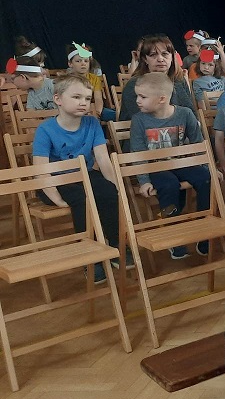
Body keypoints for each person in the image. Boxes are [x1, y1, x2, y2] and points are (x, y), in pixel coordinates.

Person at [32, 74, 122, 284]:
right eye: (76, 97)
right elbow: (41, 170)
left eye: (87, 98)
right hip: (55, 181)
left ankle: (116, 242)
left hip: (84, 176)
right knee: (82, 199)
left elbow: (103, 159)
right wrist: (57, 199)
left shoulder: (92, 123)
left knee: (108, 192)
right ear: (58, 99)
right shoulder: (45, 129)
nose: (83, 102)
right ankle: (89, 256)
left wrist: (116, 186)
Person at [130, 72, 211, 258]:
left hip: (180, 163)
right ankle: (173, 236)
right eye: (137, 96)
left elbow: (198, 144)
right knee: (169, 185)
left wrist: (208, 169)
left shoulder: (185, 113)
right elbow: (138, 153)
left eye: (142, 97)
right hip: (155, 167)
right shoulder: (139, 120)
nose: (137, 101)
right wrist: (144, 180)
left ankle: (204, 230)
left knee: (205, 178)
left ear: (162, 99)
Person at [119, 34, 196, 121]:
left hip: (178, 127)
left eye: (165, 54)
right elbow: (139, 118)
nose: (160, 59)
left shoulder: (179, 80)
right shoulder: (134, 84)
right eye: (153, 55)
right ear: (145, 59)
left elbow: (191, 112)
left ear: (172, 57)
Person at [65, 43, 110, 119]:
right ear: (70, 64)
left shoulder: (94, 78)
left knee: (116, 115)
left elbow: (98, 98)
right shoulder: (66, 81)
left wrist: (97, 112)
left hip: (94, 108)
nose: (83, 64)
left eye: (86, 61)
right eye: (78, 61)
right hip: (75, 111)